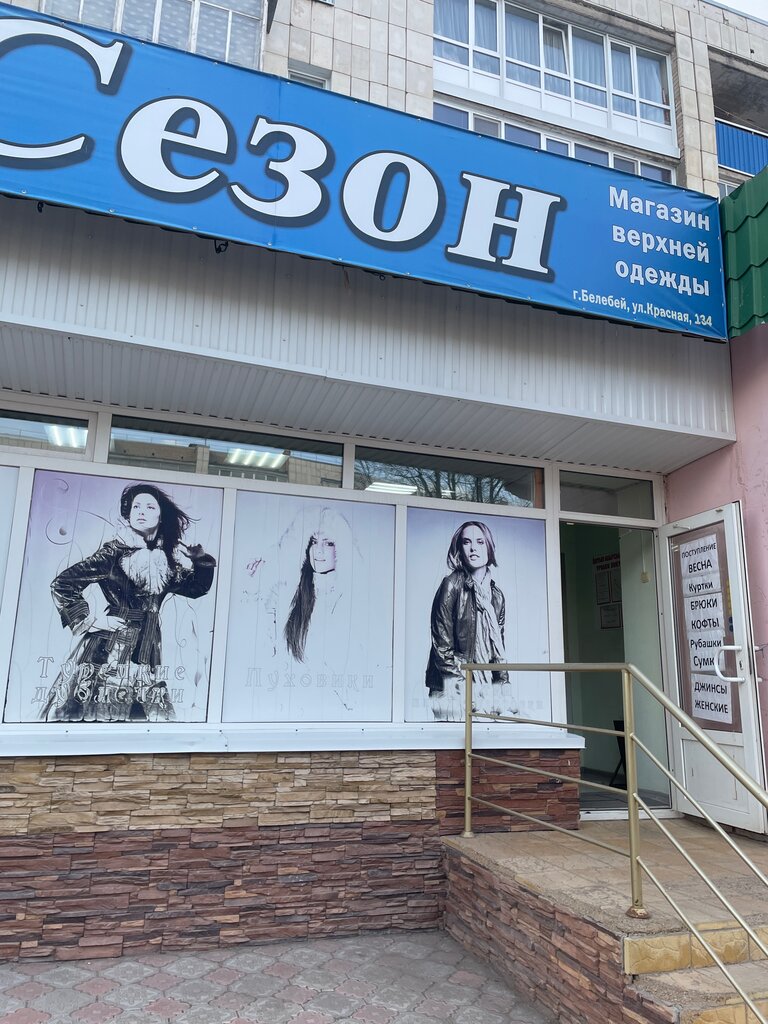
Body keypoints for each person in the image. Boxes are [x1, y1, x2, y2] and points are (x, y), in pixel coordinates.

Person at [41, 483, 216, 723]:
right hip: (108, 649)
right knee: (98, 715)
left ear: (161, 515)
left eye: (149, 507)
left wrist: (200, 561)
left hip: (149, 648)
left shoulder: (165, 560)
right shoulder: (113, 553)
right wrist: (91, 621)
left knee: (145, 721)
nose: (141, 511)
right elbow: (62, 584)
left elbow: (196, 588)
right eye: (136, 507)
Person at [424, 520, 511, 722]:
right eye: (466, 542)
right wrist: (462, 689)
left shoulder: (496, 596)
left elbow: (499, 651)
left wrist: (503, 688)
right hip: (452, 686)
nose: (473, 548)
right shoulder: (451, 585)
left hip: (484, 686)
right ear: (459, 549)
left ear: (489, 547)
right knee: (458, 741)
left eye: (480, 542)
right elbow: (442, 647)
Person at [283, 507, 352, 668]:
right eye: (314, 542)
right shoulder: (295, 593)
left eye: (328, 543)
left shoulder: (347, 599)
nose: (318, 551)